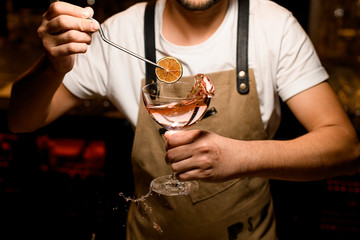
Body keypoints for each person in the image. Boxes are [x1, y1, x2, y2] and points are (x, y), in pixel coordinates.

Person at [7, 0, 360, 239]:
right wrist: (51, 64)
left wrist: (242, 158)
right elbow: (21, 120)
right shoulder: (119, 33)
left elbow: (346, 147)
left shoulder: (273, 24)